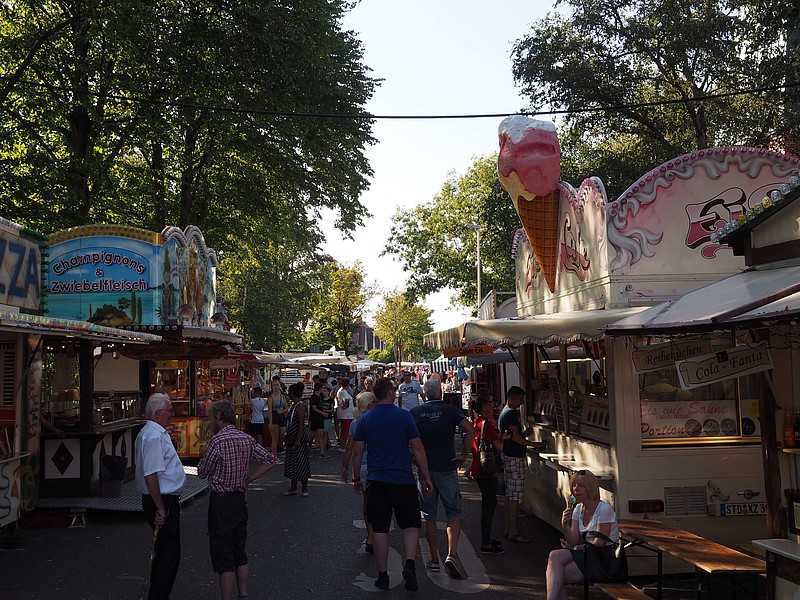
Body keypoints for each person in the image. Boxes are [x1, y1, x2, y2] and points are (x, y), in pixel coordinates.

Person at [351, 377, 433, 592]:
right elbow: (417, 448)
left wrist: (355, 478)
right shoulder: (404, 417)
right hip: (403, 480)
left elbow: (357, 451)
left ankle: (383, 576)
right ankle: (410, 564)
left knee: (379, 529)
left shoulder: (366, 419)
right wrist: (426, 476)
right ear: (389, 392)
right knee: (410, 524)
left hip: (377, 481)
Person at [198, 400, 278, 600]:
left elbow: (202, 471)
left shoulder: (217, 441)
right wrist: (248, 479)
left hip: (221, 502)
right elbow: (270, 459)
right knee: (239, 550)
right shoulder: (245, 438)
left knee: (224, 554)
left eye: (211, 418)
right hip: (239, 500)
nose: (210, 422)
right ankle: (243, 593)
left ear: (218, 417)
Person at [410, 378, 475, 579]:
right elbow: (470, 430)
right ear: (440, 392)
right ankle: (451, 554)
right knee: (453, 511)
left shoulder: (415, 413)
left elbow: (407, 438)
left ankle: (433, 558)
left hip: (425, 470)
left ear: (424, 394)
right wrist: (464, 455)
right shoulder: (450, 411)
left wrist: (413, 458)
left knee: (428, 514)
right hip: (447, 466)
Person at [135, 393, 186, 600]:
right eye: (169, 411)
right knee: (169, 555)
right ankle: (158, 596)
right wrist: (161, 508)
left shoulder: (152, 433)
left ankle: (159, 594)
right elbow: (151, 475)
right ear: (157, 413)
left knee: (166, 552)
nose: (172, 415)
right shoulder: (153, 435)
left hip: (162, 498)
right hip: (162, 499)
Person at [546, 470, 619, 600]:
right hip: (588, 553)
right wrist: (565, 524)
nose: (576, 490)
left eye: (581, 486)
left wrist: (575, 548)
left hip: (603, 557)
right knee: (554, 556)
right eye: (574, 485)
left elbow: (599, 543)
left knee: (556, 576)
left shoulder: (603, 509)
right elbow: (573, 540)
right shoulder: (578, 509)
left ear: (590, 488)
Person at [498, 385, 541, 543]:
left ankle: (508, 528)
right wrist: (533, 444)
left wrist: (524, 434)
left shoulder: (504, 412)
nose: (522, 402)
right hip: (515, 457)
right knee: (514, 495)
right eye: (520, 399)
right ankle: (513, 530)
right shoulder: (511, 413)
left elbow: (513, 435)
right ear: (512, 398)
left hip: (508, 455)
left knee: (510, 494)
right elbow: (515, 437)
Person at [468, 396, 507, 554]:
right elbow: (499, 447)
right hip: (488, 469)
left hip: (478, 466)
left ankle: (487, 539)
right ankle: (486, 542)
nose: (492, 406)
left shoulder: (476, 422)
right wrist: (502, 439)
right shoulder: (487, 425)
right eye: (489, 403)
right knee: (489, 505)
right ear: (484, 406)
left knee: (488, 503)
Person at [341, 391, 377, 553]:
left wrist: (345, 468)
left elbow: (351, 448)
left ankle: (370, 535)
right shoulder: (378, 421)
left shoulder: (356, 423)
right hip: (378, 467)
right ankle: (375, 534)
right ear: (370, 405)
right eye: (375, 402)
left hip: (362, 468)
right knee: (380, 503)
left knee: (367, 502)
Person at [282, 382, 311, 496]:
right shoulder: (293, 405)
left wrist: (298, 439)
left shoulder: (300, 405)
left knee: (301, 461)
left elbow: (301, 424)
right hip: (291, 436)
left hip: (298, 436)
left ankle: (304, 487)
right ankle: (293, 486)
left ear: (293, 393)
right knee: (292, 461)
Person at [267, 378, 288, 455]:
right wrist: (271, 423)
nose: (276, 387)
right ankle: (274, 455)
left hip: (281, 415)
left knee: (282, 434)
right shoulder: (271, 398)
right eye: (274, 385)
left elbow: (286, 407)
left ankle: (279, 448)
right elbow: (269, 411)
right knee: (275, 437)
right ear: (272, 387)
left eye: (277, 385)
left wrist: (283, 411)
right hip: (274, 416)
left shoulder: (282, 396)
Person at [309, 382, 328, 458]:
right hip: (314, 418)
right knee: (311, 435)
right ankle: (309, 447)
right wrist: (322, 413)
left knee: (321, 434)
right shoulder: (313, 397)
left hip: (320, 418)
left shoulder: (320, 396)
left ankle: (322, 451)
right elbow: (314, 408)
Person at [336, 376, 354, 452]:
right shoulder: (343, 392)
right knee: (345, 431)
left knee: (344, 430)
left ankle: (342, 445)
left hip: (343, 414)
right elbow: (346, 401)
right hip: (346, 415)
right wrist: (345, 406)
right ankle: (343, 446)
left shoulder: (340, 391)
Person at [320, 385, 335, 451]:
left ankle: (324, 447)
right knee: (322, 433)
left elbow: (331, 410)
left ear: (328, 392)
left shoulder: (330, 400)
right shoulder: (320, 399)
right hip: (321, 418)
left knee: (325, 433)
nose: (323, 392)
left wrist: (324, 411)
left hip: (327, 418)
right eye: (323, 391)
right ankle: (325, 444)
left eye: (325, 391)